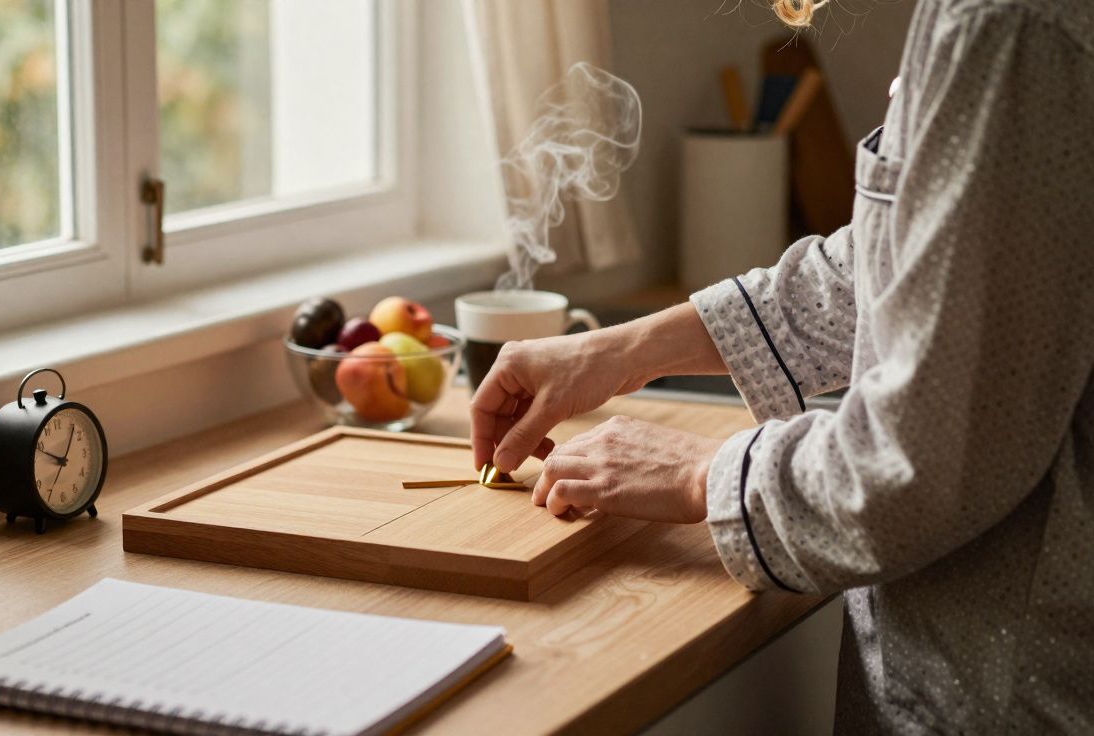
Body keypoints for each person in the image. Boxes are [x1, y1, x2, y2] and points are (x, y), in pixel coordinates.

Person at [469, 0, 1094, 731]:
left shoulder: (1010, 20)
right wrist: (621, 349)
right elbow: (916, 264)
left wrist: (699, 474)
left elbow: (928, 456)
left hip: (1012, 695)